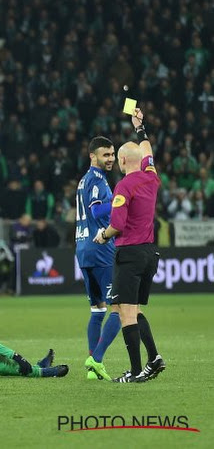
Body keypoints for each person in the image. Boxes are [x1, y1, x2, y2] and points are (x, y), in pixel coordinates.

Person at [93, 109, 165, 383]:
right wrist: (140, 128)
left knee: (124, 312)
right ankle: (154, 358)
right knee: (135, 309)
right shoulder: (151, 177)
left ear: (122, 160)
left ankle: (135, 372)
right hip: (149, 253)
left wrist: (103, 236)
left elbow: (118, 225)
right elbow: (147, 150)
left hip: (130, 253)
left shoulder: (124, 187)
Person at [76, 136, 122, 381]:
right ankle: (96, 359)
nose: (111, 159)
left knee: (97, 310)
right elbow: (96, 210)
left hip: (83, 250)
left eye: (112, 154)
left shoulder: (84, 181)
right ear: (92, 156)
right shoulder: (96, 180)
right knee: (120, 307)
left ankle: (92, 371)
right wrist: (120, 202)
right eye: (105, 155)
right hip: (100, 249)